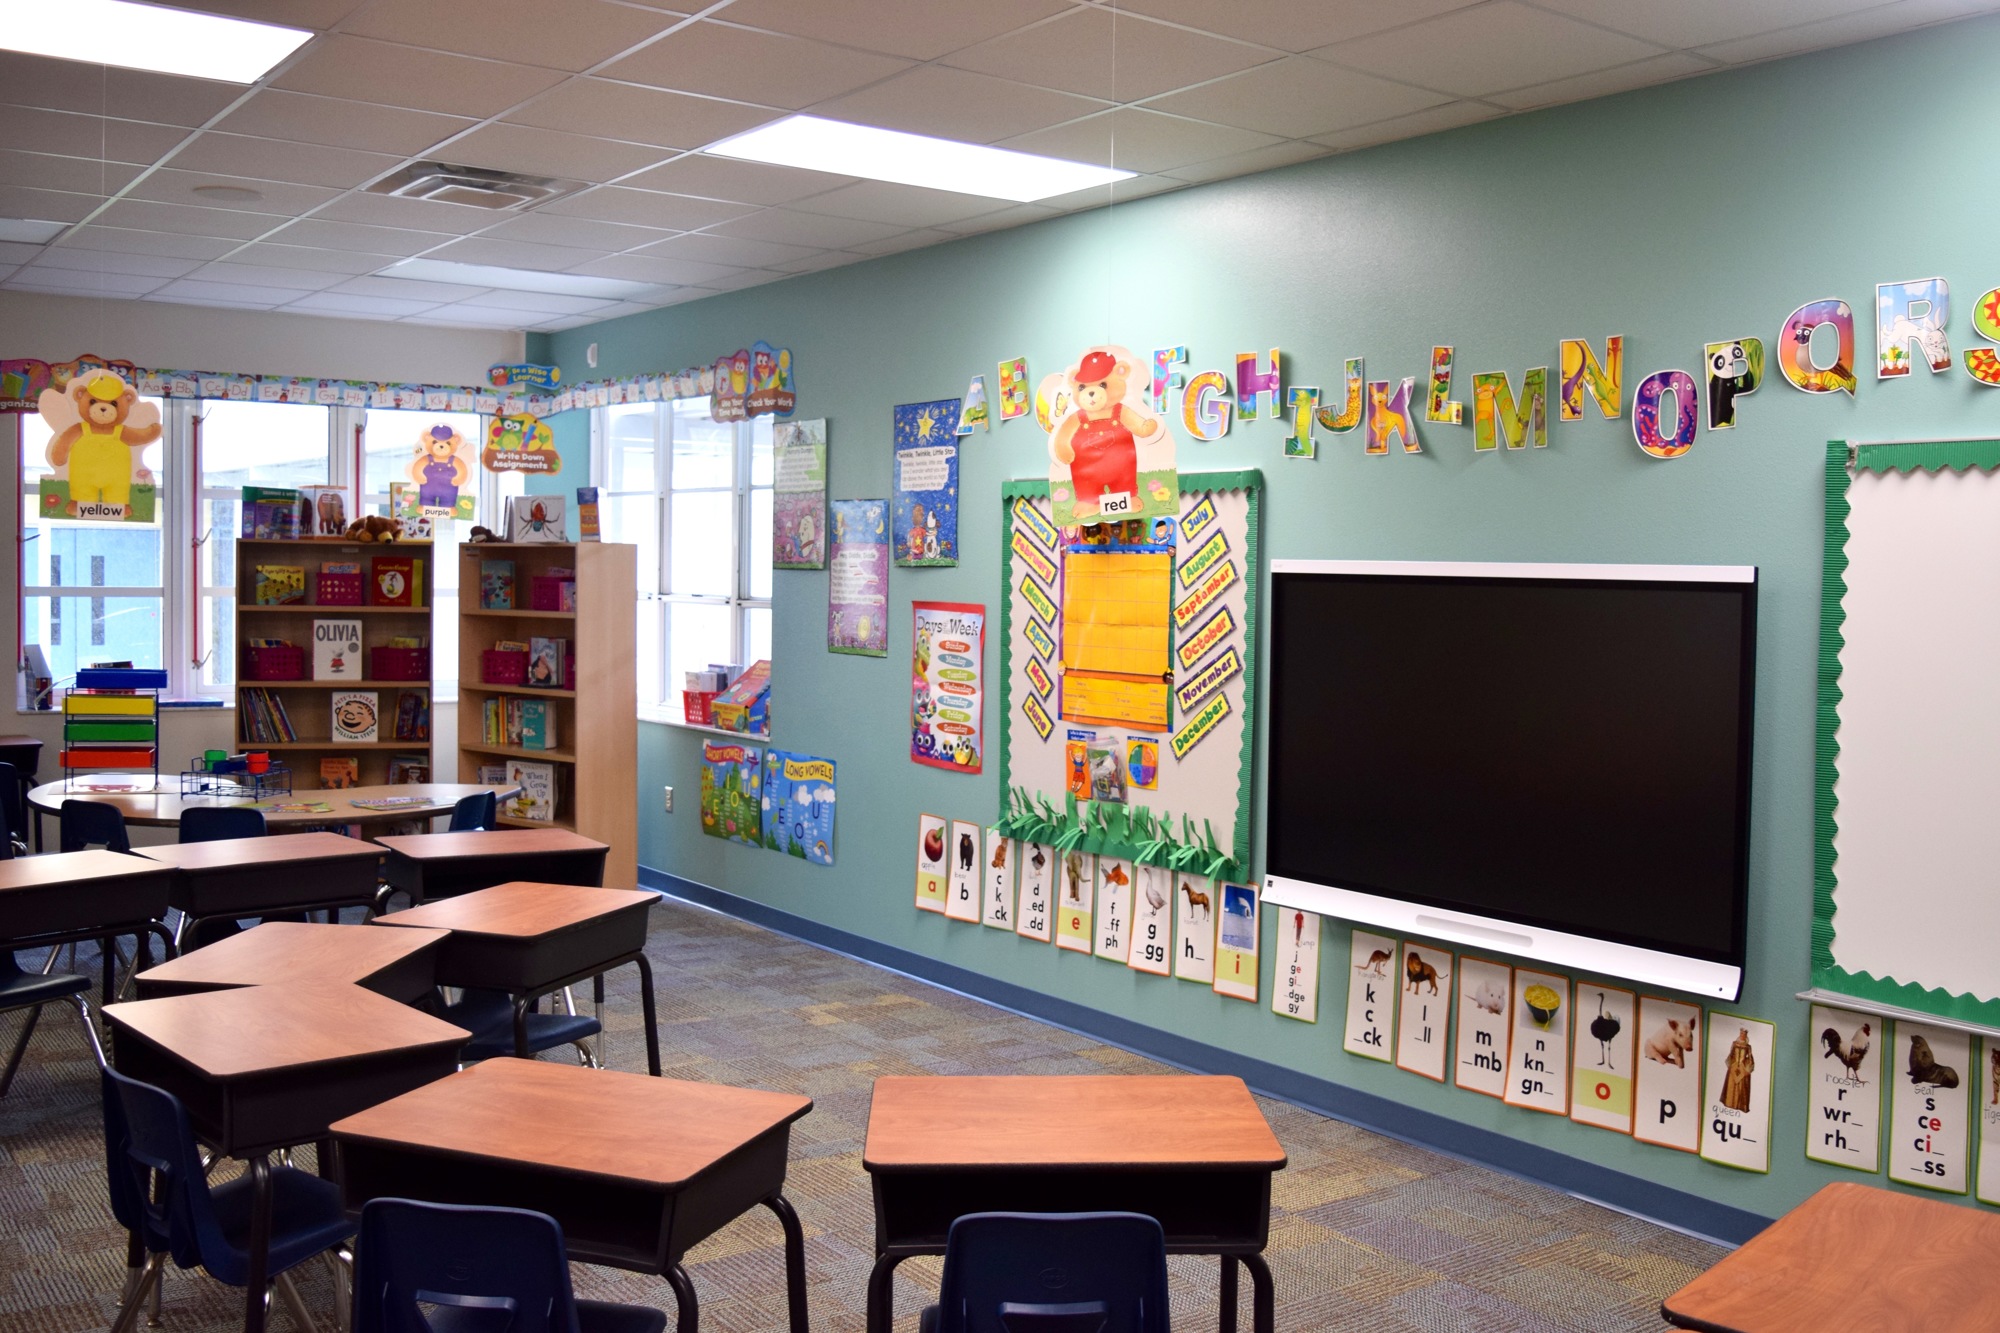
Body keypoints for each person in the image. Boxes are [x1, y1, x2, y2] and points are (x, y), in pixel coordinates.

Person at [1721, 1026, 1755, 1112]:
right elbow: (1731, 1054)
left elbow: (1750, 1058)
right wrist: (1730, 1065)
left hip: (1742, 1069)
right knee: (1731, 1085)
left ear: (1746, 1035)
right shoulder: (1734, 1043)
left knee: (1741, 1087)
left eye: (1744, 1034)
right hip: (1734, 1067)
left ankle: (1739, 1105)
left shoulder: (1748, 1047)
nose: (1742, 1035)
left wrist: (1748, 1069)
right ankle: (1730, 1103)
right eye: (1741, 1033)